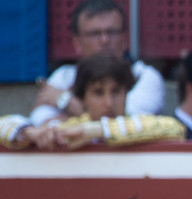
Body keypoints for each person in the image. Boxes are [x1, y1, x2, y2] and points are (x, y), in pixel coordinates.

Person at [3, 53, 182, 150]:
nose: (109, 103)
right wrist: (28, 133)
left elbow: (176, 128)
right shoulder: (70, 128)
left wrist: (98, 130)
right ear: (82, 98)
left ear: (127, 93)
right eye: (98, 93)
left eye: (116, 92)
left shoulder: (137, 123)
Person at [31, 0, 164, 127]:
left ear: (124, 38)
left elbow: (125, 121)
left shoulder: (145, 76)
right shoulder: (64, 76)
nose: (104, 40)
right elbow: (40, 121)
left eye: (112, 32)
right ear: (77, 42)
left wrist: (64, 101)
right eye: (94, 34)